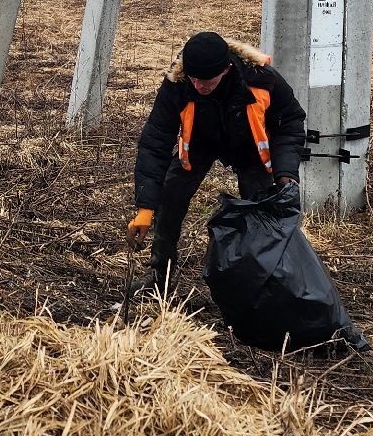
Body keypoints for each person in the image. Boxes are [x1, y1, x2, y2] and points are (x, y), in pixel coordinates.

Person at [127, 31, 307, 292]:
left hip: (250, 150)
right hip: (200, 142)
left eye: (208, 80)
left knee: (261, 213)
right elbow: (155, 142)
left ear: (226, 69)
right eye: (194, 78)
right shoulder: (177, 84)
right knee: (170, 193)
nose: (199, 86)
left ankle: (263, 282)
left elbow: (290, 121)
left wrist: (286, 172)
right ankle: (159, 273)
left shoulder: (260, 79)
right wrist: (145, 206)